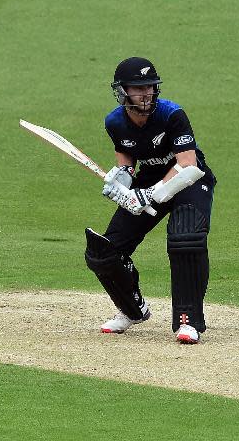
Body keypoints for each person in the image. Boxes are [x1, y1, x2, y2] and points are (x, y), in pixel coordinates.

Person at [84, 56, 216, 344]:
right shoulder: (115, 122)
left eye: (150, 87)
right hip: (150, 180)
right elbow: (127, 158)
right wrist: (123, 180)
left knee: (186, 238)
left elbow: (188, 164)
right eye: (138, 88)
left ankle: (188, 321)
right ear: (123, 91)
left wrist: (151, 194)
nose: (146, 93)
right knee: (104, 251)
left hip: (189, 180)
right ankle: (131, 310)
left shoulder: (171, 114)